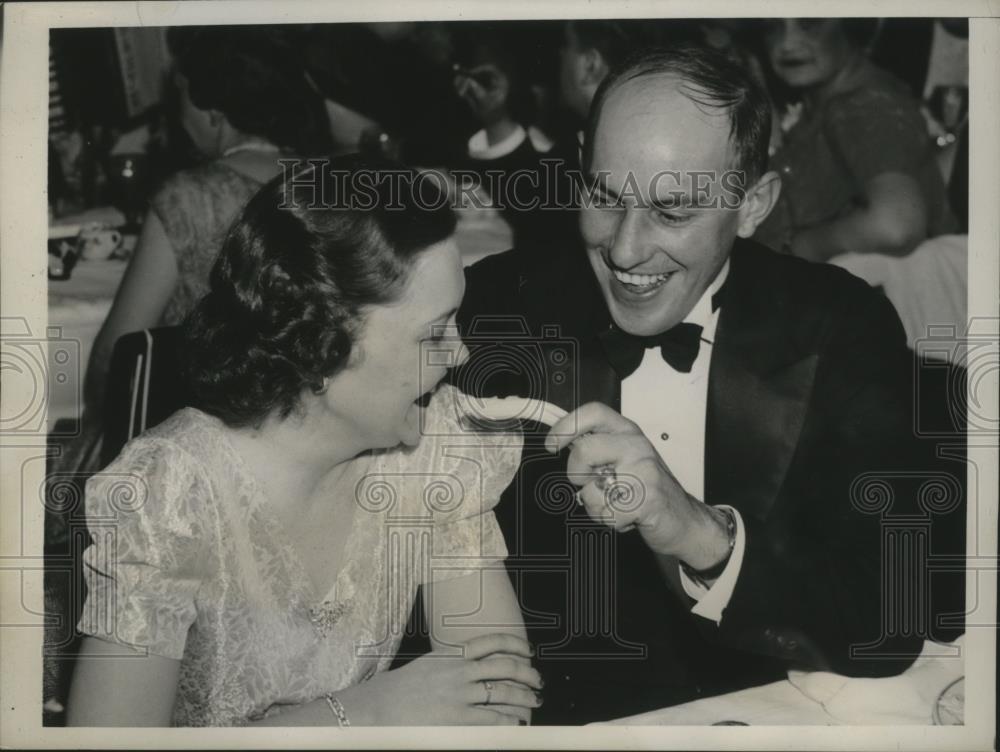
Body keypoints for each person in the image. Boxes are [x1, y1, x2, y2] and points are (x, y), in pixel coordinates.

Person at [455, 43, 931, 724]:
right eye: (604, 196)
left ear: (754, 205)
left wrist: (696, 533)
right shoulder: (495, 308)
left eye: (673, 213)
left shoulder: (840, 328)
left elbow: (888, 625)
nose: (624, 249)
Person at [67, 156, 542, 727]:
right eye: (435, 332)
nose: (460, 354)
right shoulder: (173, 493)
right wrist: (362, 716)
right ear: (323, 344)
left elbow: (499, 694)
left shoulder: (435, 449)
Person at [82, 26, 331, 416]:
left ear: (214, 113)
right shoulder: (333, 183)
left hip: (215, 432)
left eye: (180, 95)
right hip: (316, 427)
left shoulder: (188, 197)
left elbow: (114, 364)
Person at [751, 18, 956, 262]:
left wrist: (797, 249)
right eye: (773, 28)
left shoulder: (862, 106)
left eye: (809, 24)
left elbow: (896, 226)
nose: (787, 43)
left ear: (852, 26)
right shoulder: (826, 102)